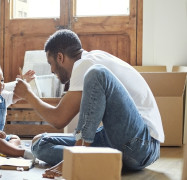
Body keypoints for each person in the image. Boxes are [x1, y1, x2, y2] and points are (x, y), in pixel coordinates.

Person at [14, 29, 164, 178]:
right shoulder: (87, 61)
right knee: (40, 143)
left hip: (141, 143)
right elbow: (59, 116)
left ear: (60, 57)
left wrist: (28, 94)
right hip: (118, 141)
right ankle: (104, 161)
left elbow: (58, 119)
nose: (52, 70)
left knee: (97, 72)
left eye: (50, 63)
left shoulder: (87, 64)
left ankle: (81, 154)